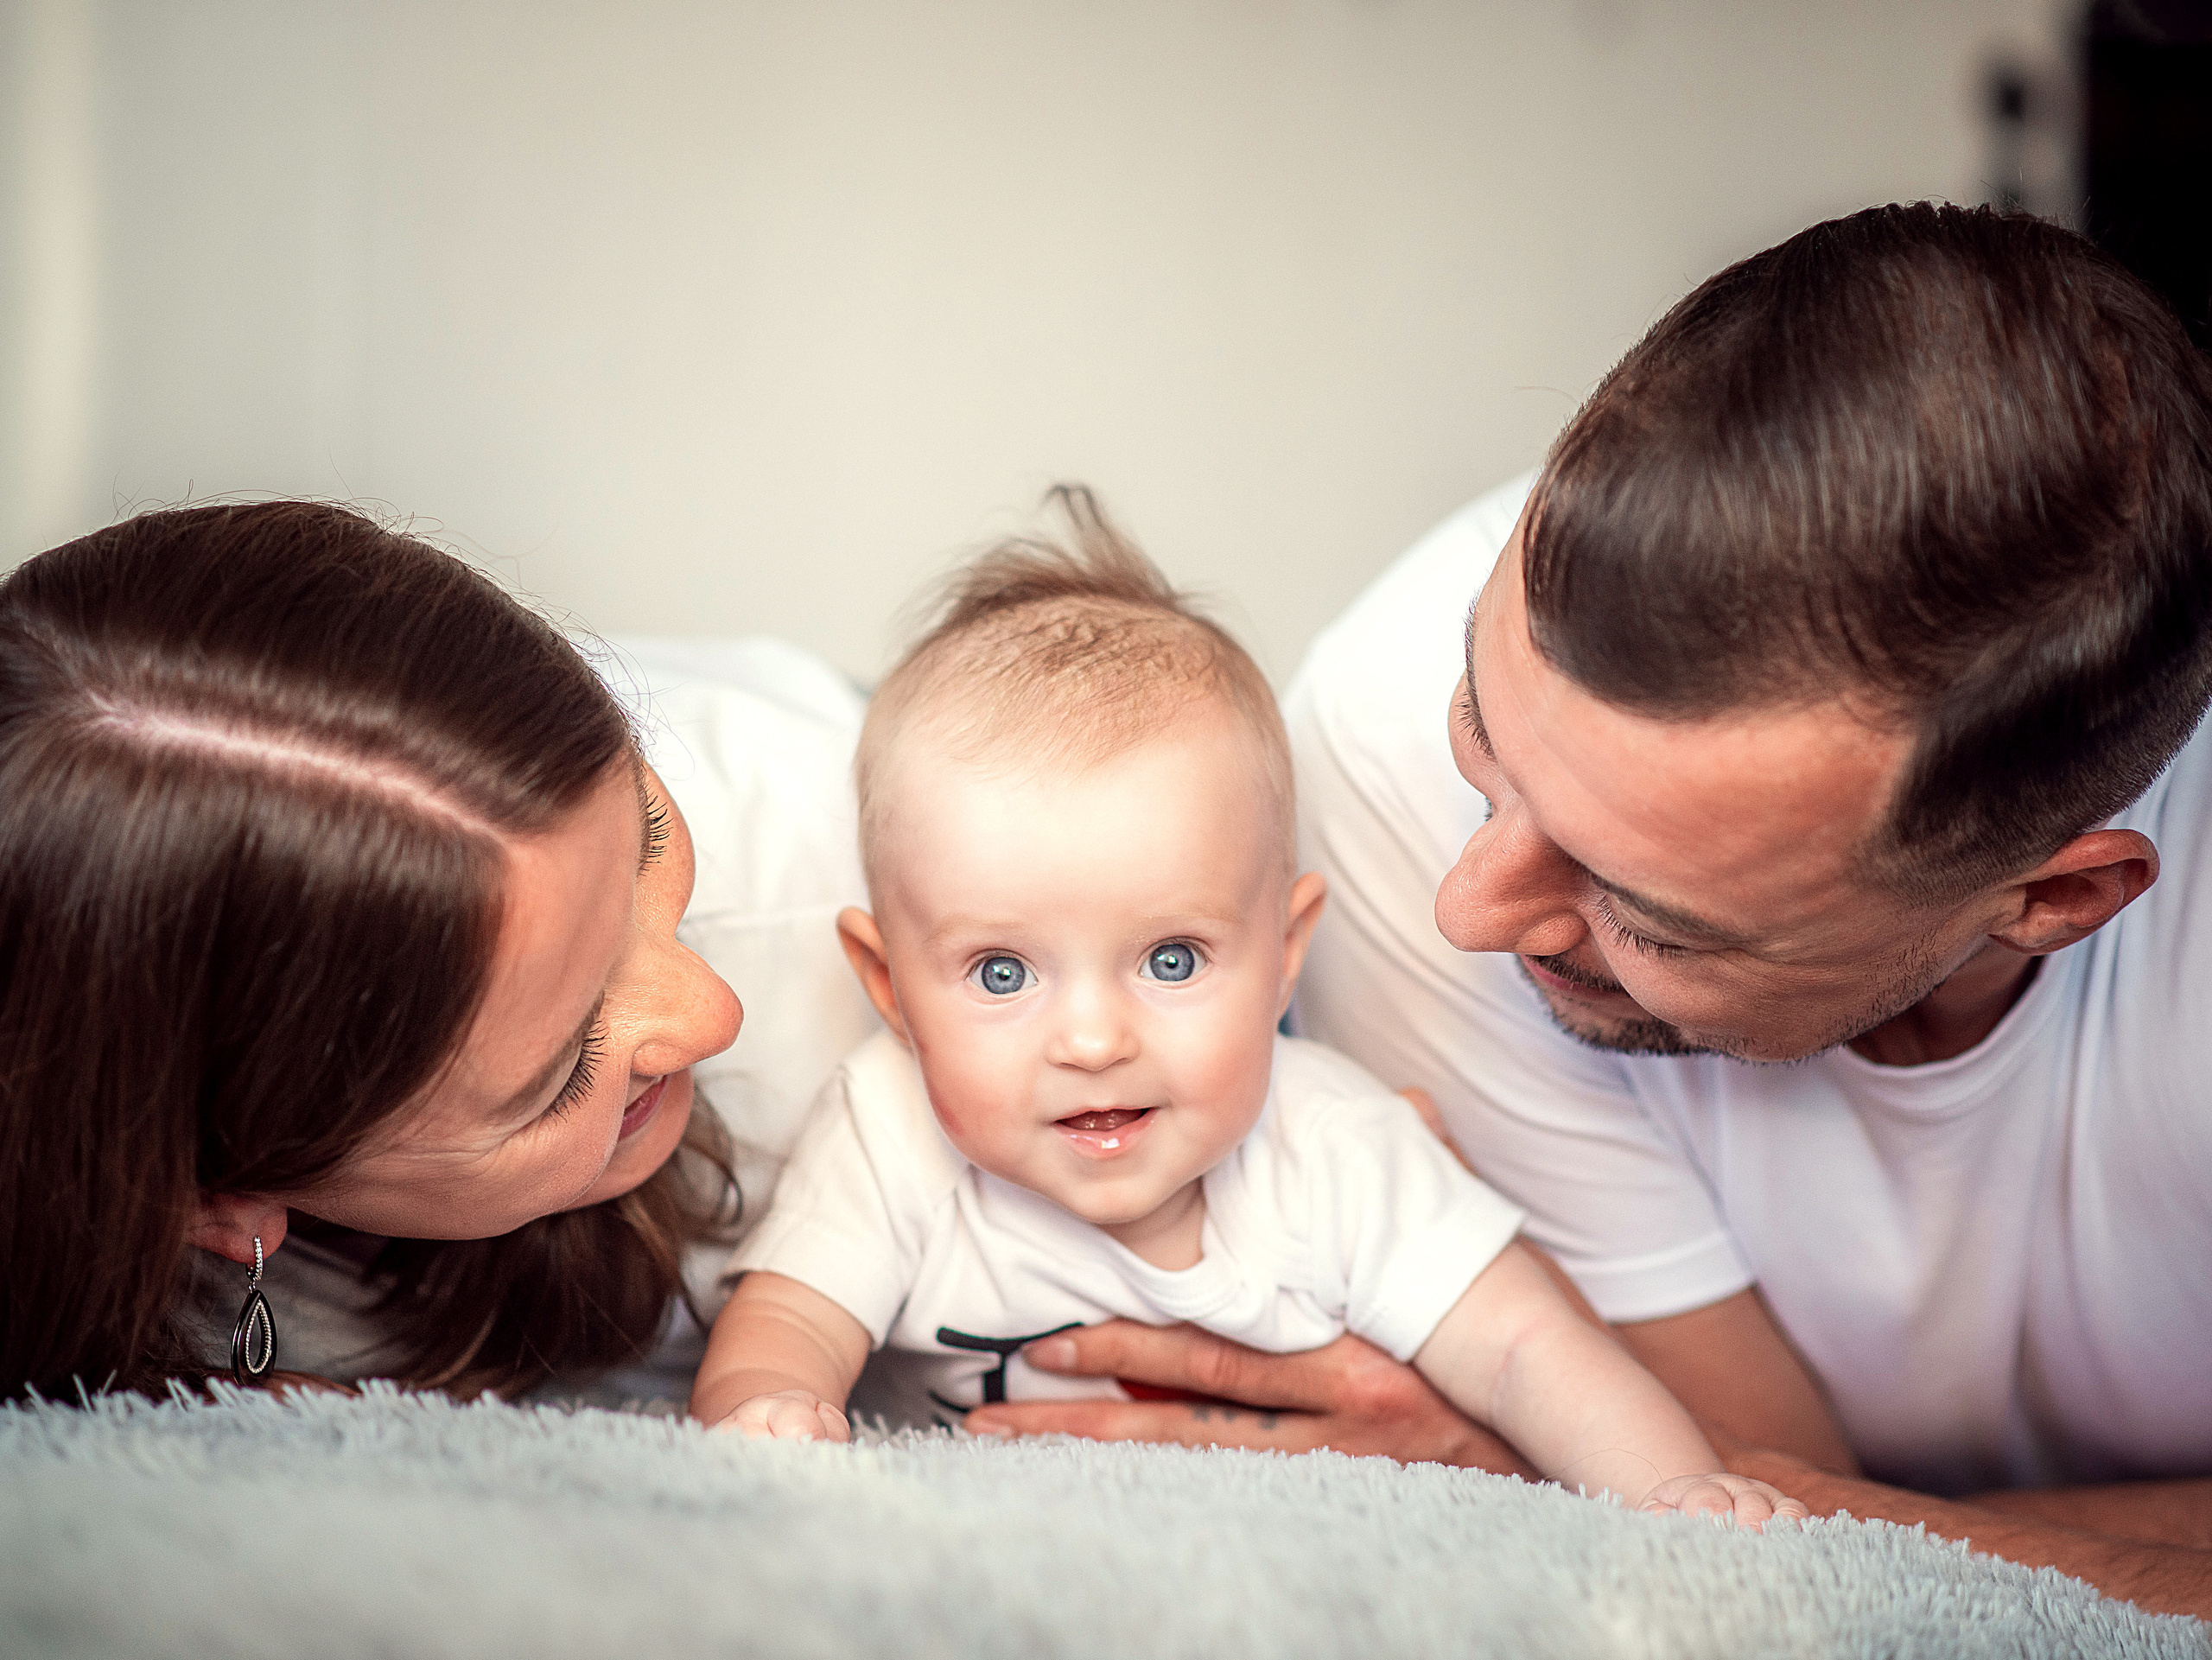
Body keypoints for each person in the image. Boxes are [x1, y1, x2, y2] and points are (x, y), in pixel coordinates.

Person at [953, 207, 2212, 1616]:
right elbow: (1735, 1495)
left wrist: (1680, 1479)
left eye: (1653, 916)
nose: (1468, 910)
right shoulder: (1380, 720)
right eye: (1481, 739)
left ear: (2057, 894)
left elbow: (1786, 1512)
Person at [688, 496, 1805, 1526]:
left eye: (1170, 959)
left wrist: (1675, 1490)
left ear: (1283, 957)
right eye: (1001, 974)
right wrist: (769, 1408)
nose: (1092, 1041)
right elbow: (790, 1323)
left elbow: (1527, 1348)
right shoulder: (890, 1130)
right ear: (891, 990)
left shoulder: (1335, 1144)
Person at [0, 500, 874, 1402]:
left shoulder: (870, 840)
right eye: (565, 1069)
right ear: (209, 1206)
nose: (712, 1012)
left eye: (649, 838)